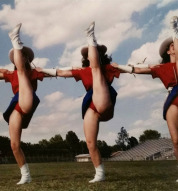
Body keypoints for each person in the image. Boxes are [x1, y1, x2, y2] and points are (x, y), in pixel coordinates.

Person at [0, 23, 55, 185]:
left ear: (27, 59)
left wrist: (49, 71)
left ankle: (15, 39)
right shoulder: (11, 74)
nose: (20, 58)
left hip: (27, 100)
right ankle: (26, 175)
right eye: (18, 55)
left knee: (22, 73)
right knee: (14, 145)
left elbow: (55, 72)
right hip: (16, 105)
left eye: (23, 55)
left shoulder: (33, 72)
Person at [112, 16, 178, 182]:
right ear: (169, 51)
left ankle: (175, 29)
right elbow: (138, 69)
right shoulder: (161, 68)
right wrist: (118, 67)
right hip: (173, 99)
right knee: (176, 140)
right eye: (173, 45)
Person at [56, 22, 121, 183]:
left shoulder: (107, 68)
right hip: (90, 105)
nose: (91, 56)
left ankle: (90, 37)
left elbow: (129, 69)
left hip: (104, 100)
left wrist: (121, 67)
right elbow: (61, 72)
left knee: (96, 71)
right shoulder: (82, 71)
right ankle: (99, 173)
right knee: (90, 142)